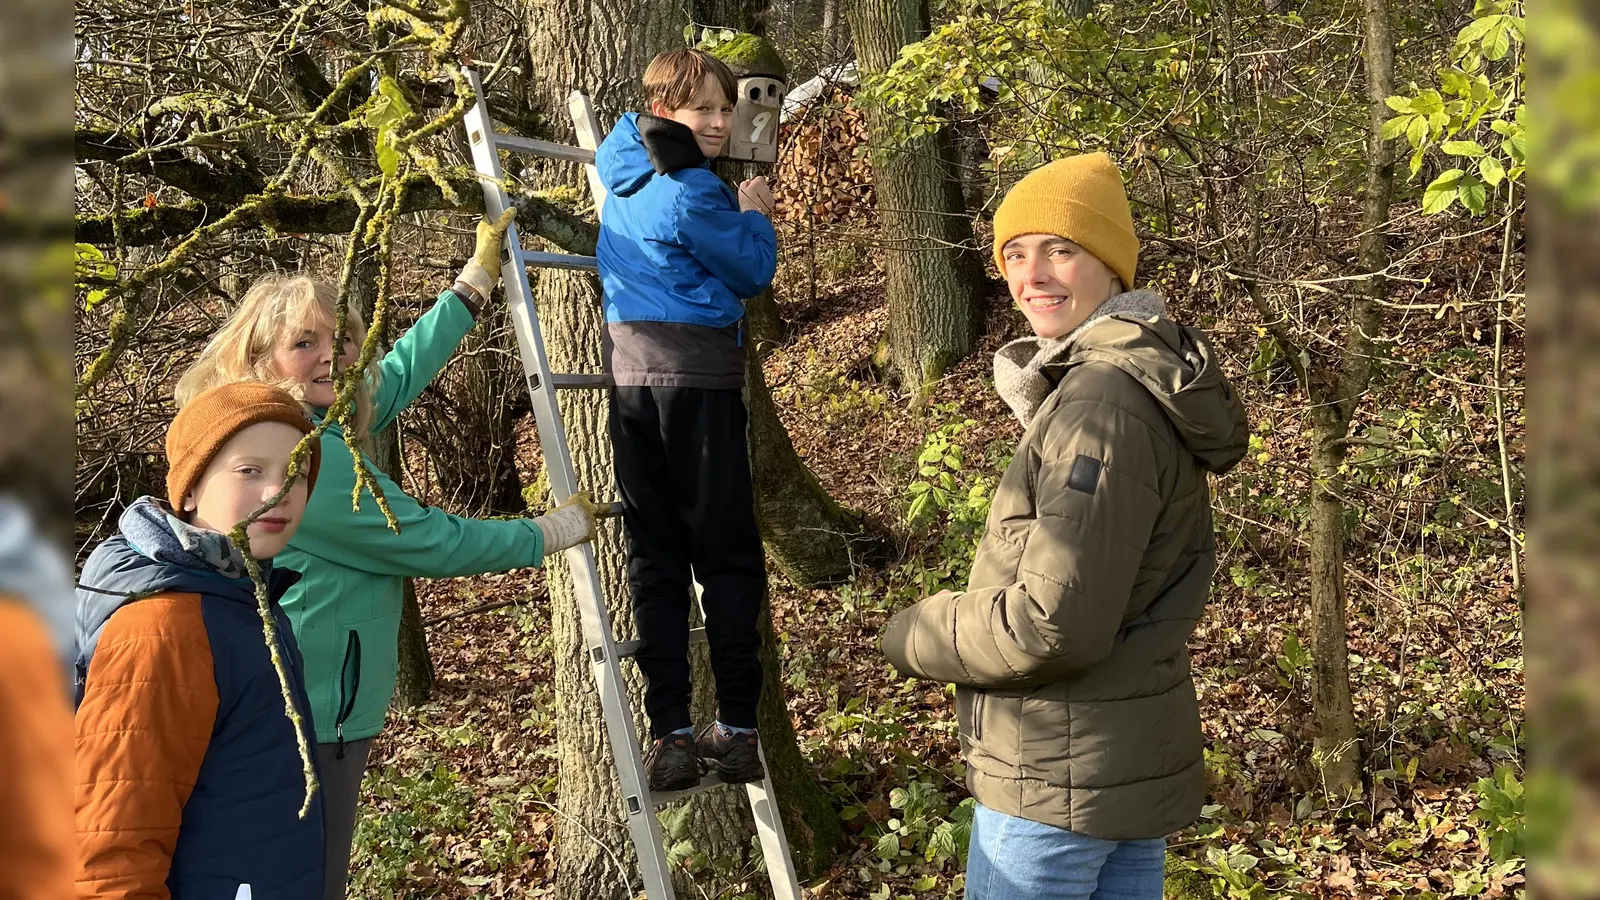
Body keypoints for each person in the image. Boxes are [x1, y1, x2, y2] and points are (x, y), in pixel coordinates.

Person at [173, 214, 602, 900]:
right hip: (310, 714)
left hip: (296, 703)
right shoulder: (310, 456)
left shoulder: (281, 427)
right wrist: (550, 532)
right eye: (303, 343)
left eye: (342, 342)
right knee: (307, 882)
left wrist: (470, 288)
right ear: (260, 360)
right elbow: (429, 540)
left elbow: (388, 378)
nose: (332, 357)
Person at [879, 152, 1249, 899]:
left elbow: (1053, 623)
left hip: (1055, 781)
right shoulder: (1130, 381)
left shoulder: (1100, 404)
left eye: (1061, 249)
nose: (1032, 274)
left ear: (1111, 265)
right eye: (1016, 253)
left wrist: (913, 632)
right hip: (1110, 770)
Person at [593, 47, 778, 791]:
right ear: (664, 108)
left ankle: (668, 729)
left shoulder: (619, 178)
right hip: (697, 387)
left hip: (630, 385)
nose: (719, 120)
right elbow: (753, 272)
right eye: (703, 107)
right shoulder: (691, 189)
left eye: (726, 109)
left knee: (655, 558)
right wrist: (756, 214)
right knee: (726, 557)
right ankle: (735, 726)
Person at [74, 383, 327, 898]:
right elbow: (110, 855)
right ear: (188, 490)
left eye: (295, 473)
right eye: (249, 470)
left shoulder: (240, 595)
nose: (275, 492)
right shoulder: (164, 628)